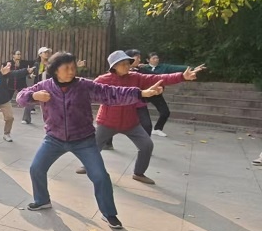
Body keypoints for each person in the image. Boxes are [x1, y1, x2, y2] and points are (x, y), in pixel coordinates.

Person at [16, 51, 164, 229]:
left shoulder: (83, 85)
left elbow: (111, 93)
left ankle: (109, 213)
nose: (72, 71)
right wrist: (34, 96)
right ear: (55, 70)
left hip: (83, 140)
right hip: (54, 139)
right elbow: (20, 97)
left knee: (100, 176)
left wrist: (142, 94)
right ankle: (42, 200)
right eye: (67, 68)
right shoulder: (45, 86)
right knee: (36, 168)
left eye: (73, 67)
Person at [75, 51, 204, 184]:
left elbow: (158, 78)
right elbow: (87, 91)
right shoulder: (103, 80)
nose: (127, 66)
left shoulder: (136, 77)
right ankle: (87, 166)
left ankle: (139, 173)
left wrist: (182, 76)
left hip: (131, 122)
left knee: (147, 145)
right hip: (107, 121)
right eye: (123, 64)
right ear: (114, 66)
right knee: (93, 146)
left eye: (128, 63)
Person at [136, 52, 206, 137]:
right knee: (137, 111)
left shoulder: (164, 67)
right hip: (144, 93)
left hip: (156, 94)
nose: (156, 60)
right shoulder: (142, 68)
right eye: (153, 58)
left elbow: (176, 68)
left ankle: (157, 129)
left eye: (157, 58)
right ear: (148, 60)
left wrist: (193, 68)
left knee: (165, 112)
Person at [102, 48, 151, 150]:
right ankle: (107, 143)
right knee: (108, 128)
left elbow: (156, 78)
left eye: (139, 58)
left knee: (146, 125)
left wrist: (181, 76)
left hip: (138, 104)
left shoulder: (141, 72)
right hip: (115, 110)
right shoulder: (107, 78)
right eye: (136, 57)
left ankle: (144, 145)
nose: (138, 60)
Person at [21, 47, 52, 123]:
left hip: (49, 85)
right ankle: (26, 118)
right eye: (45, 52)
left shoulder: (51, 64)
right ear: (40, 54)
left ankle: (52, 120)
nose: (47, 54)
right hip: (38, 84)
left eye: (47, 52)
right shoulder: (37, 64)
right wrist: (31, 75)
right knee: (30, 100)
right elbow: (32, 74)